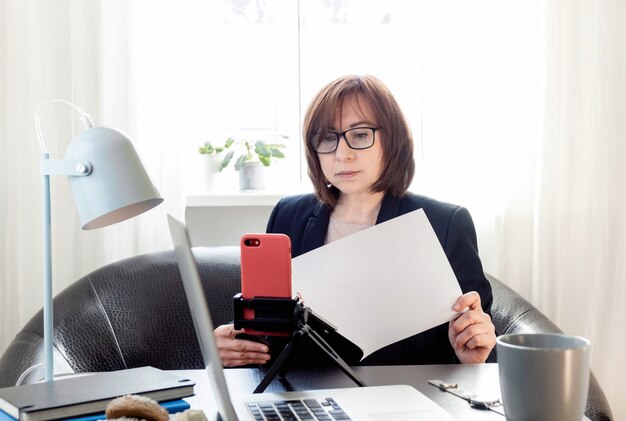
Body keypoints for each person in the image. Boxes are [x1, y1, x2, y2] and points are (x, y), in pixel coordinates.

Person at [214, 74, 496, 367]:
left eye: (360, 135)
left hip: (402, 399)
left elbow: (483, 346)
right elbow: (270, 337)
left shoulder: (445, 224)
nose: (342, 154)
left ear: (393, 140)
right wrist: (233, 348)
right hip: (311, 399)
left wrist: (475, 355)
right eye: (327, 138)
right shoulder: (288, 215)